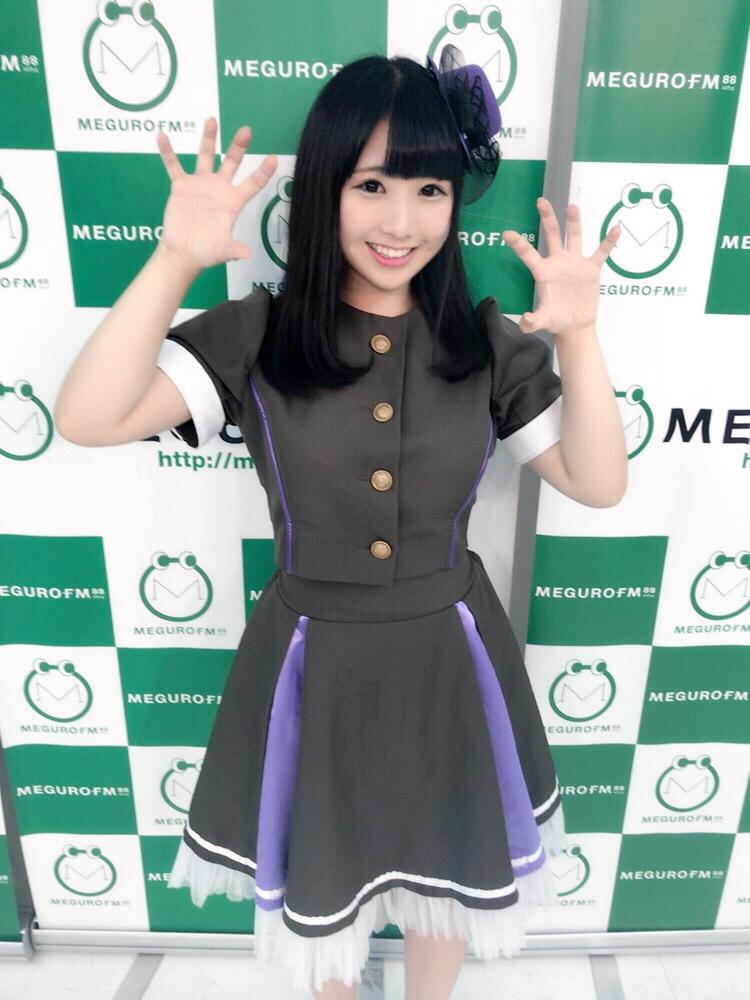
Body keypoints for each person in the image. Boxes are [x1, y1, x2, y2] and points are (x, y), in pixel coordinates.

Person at [54, 50, 627, 1000]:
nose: (401, 222)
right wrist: (176, 257)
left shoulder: (484, 345)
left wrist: (580, 333)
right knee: (326, 871)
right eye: (372, 186)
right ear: (325, 189)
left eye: (429, 189)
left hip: (449, 656)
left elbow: (598, 483)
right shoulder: (261, 336)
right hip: (311, 657)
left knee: (449, 861)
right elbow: (87, 416)